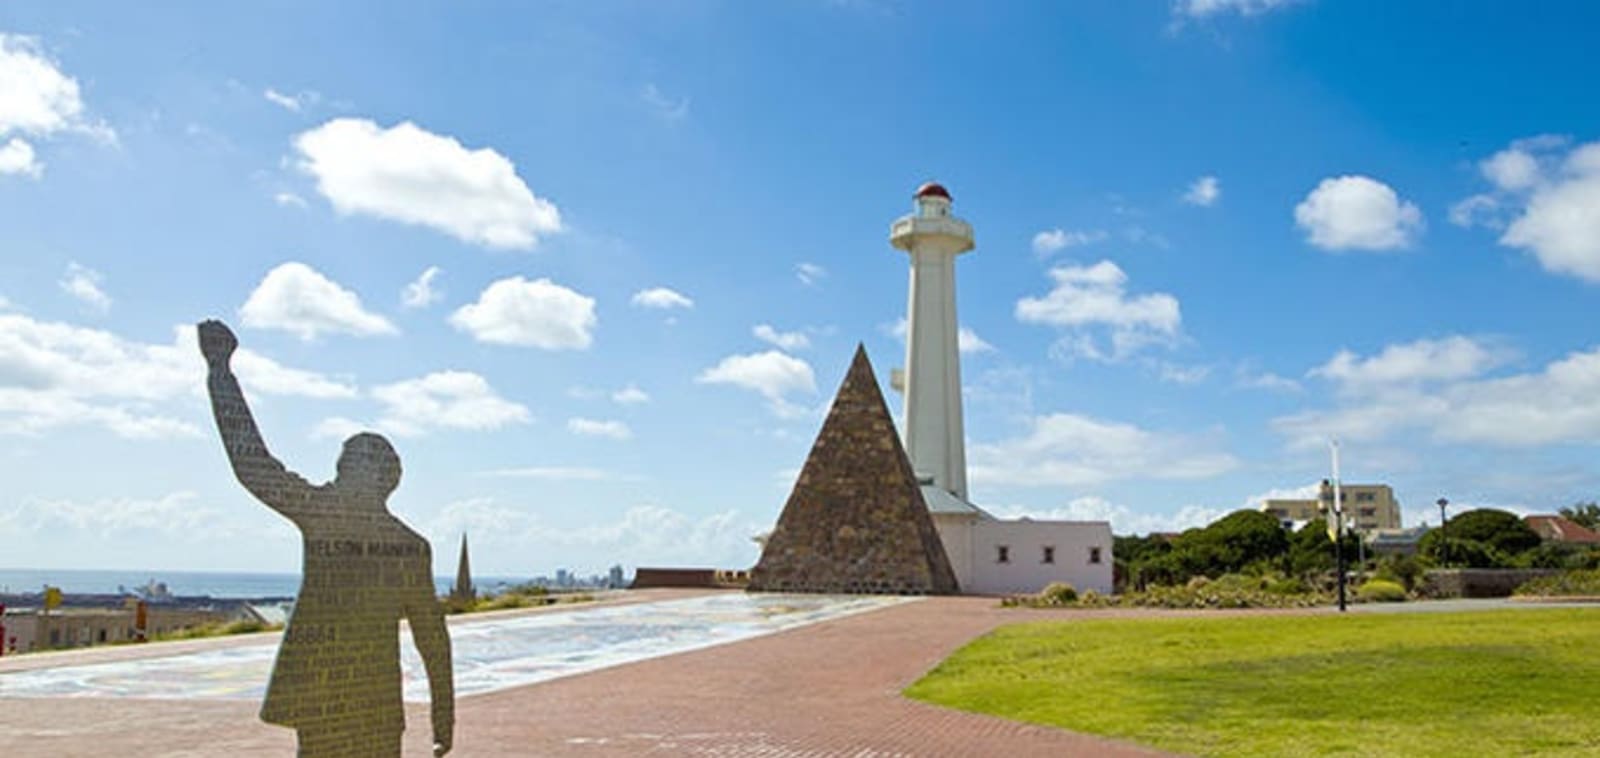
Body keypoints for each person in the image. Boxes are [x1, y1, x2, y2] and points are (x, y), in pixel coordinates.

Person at [199, 319, 453, 757]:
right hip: (353, 699)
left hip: (340, 697)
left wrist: (220, 369)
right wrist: (221, 374)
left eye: (348, 464)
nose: (336, 473)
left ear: (375, 478)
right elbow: (432, 637)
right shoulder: (405, 543)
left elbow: (254, 466)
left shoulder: (334, 518)